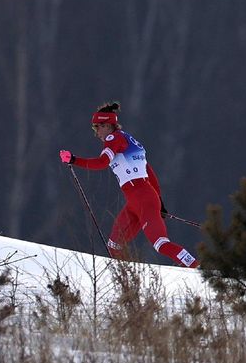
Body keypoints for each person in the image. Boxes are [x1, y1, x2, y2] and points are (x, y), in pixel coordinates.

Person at [59, 102, 199, 268]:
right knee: (114, 246)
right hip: (137, 201)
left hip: (142, 199)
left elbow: (102, 163)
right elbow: (149, 173)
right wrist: (159, 201)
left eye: (97, 127)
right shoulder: (128, 139)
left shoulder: (114, 139)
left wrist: (75, 160)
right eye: (94, 128)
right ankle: (128, 281)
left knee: (161, 244)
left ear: (107, 125)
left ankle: (196, 266)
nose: (96, 133)